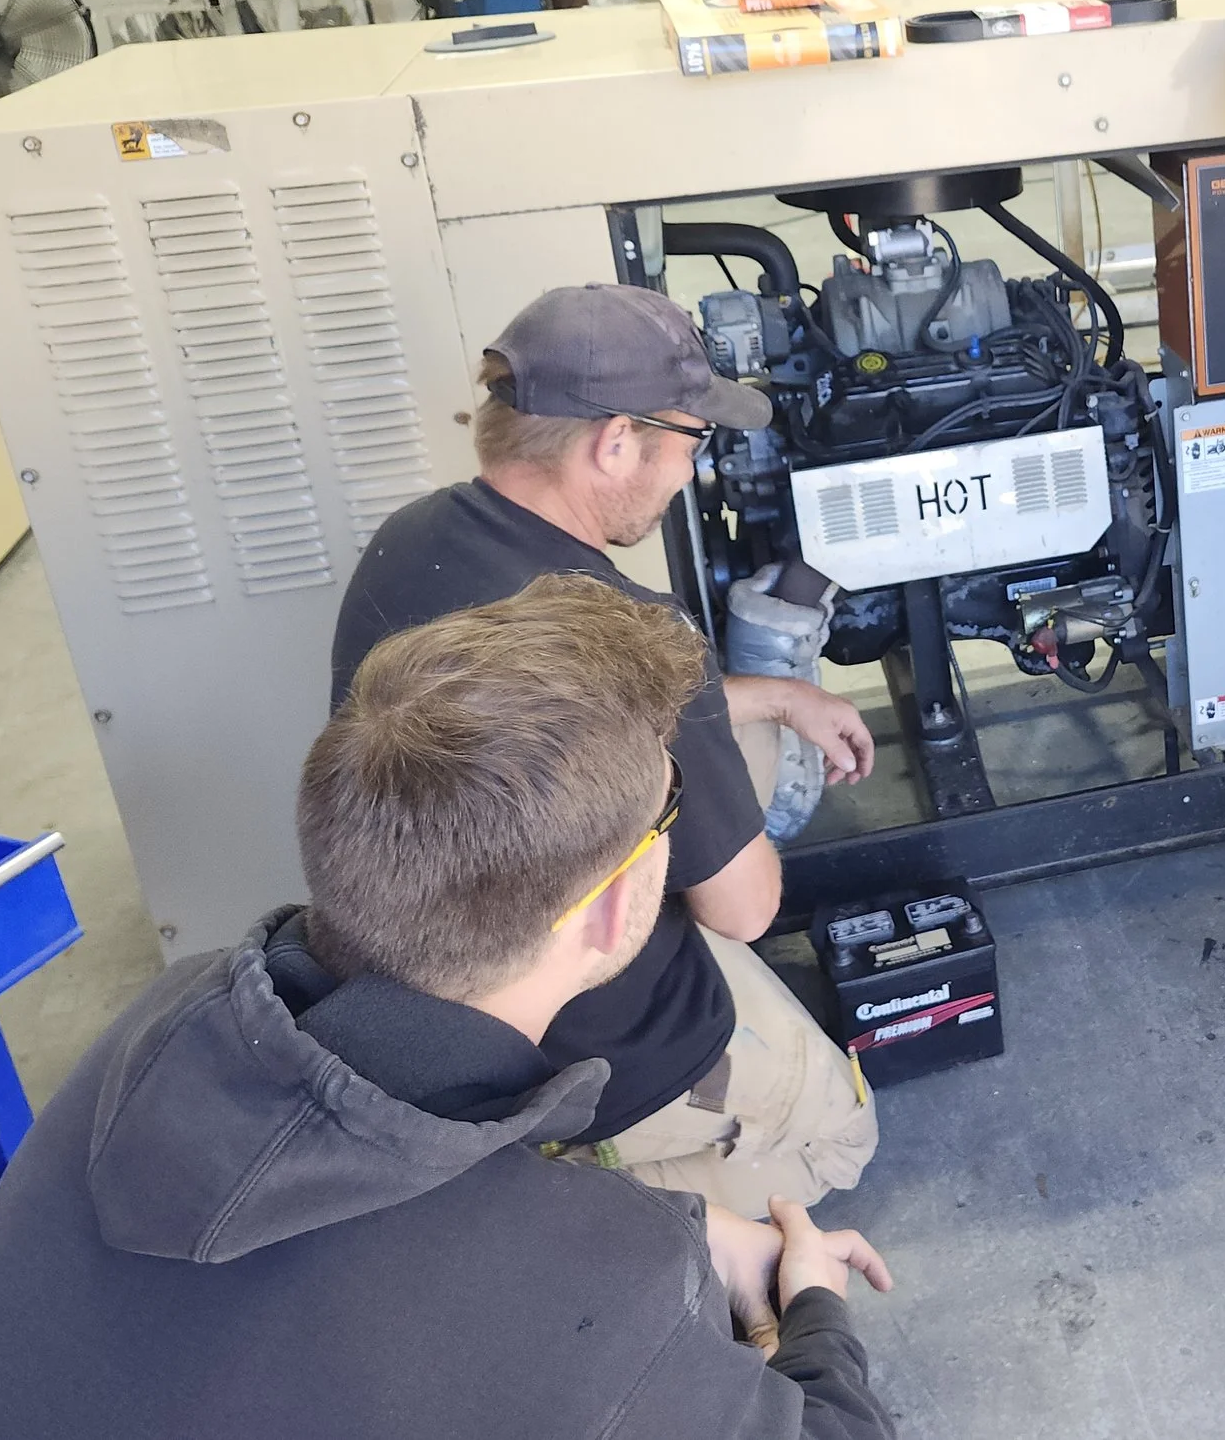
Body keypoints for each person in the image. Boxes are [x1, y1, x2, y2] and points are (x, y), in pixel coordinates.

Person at [0, 577, 897, 1440]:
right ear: (605, 913)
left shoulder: (171, 1015)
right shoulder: (593, 1312)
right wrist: (811, 1310)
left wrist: (683, 1230)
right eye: (668, 817)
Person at [331, 282, 879, 1213]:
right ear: (616, 440)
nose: (689, 474)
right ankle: (572, 1211)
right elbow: (745, 909)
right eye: (689, 441)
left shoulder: (411, 540)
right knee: (841, 1136)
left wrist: (774, 698)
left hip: (419, 990)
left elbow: (546, 707)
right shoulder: (628, 630)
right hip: (598, 1046)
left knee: (731, 768)